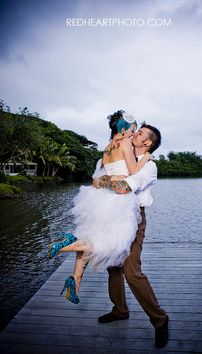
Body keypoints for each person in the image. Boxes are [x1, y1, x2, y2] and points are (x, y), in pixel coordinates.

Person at [48, 110, 151, 299]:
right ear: (124, 129)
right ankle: (64, 245)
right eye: (133, 130)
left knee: (91, 235)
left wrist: (109, 177)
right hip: (118, 201)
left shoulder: (108, 147)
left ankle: (75, 279)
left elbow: (100, 176)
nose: (133, 134)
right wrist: (145, 158)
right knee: (109, 245)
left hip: (100, 198)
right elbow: (133, 170)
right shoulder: (126, 142)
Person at [92, 120, 169, 348]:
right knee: (113, 266)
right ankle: (120, 310)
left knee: (131, 271)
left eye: (141, 133)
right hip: (112, 215)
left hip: (134, 218)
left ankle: (160, 319)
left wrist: (102, 181)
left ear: (147, 143)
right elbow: (99, 174)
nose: (135, 133)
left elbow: (124, 187)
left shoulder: (149, 166)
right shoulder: (121, 156)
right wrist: (102, 178)